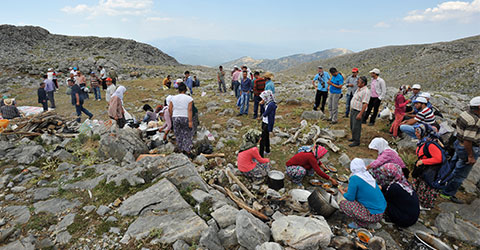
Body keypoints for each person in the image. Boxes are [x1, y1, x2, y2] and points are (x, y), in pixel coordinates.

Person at [440, 96, 480, 204]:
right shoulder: (474, 121)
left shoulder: (465, 113)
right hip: (468, 148)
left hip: (458, 143)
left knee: (453, 165)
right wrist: (470, 156)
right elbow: (468, 140)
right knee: (460, 174)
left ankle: (442, 183)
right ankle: (447, 193)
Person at [338, 158, 386, 229]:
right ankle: (367, 220)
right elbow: (363, 187)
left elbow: (350, 198)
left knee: (343, 204)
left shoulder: (354, 178)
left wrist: (341, 190)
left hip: (373, 215)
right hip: (381, 211)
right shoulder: (368, 175)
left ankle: (361, 223)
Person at [377, 163, 420, 227]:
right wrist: (381, 187)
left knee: (382, 202)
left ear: (390, 175)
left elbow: (384, 197)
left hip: (405, 220)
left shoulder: (394, 187)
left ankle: (390, 218)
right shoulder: (403, 182)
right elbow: (388, 188)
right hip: (413, 216)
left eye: (385, 173)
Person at [411, 123, 442, 210]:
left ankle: (425, 205)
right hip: (424, 167)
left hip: (430, 169)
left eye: (418, 132)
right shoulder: (423, 142)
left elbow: (439, 158)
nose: (416, 134)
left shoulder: (430, 144)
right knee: (419, 184)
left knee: (426, 187)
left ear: (424, 133)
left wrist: (423, 161)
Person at [169, 83, 194, 157]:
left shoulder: (172, 98)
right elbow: (189, 110)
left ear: (178, 90)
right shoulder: (189, 98)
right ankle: (187, 150)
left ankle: (180, 149)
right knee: (187, 134)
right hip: (185, 116)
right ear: (185, 90)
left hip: (175, 117)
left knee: (178, 134)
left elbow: (169, 109)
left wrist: (172, 116)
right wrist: (190, 121)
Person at [348, 76, 370, 147]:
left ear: (363, 83)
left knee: (356, 126)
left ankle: (356, 141)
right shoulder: (359, 89)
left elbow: (365, 104)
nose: (357, 82)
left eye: (359, 81)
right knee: (352, 125)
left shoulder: (366, 91)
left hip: (358, 111)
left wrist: (360, 114)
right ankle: (354, 137)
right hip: (354, 109)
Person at [259, 90, 277, 157]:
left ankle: (261, 154)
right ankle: (267, 150)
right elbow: (263, 112)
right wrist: (261, 105)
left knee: (262, 139)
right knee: (266, 137)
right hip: (264, 122)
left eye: (263, 98)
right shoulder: (267, 103)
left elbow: (265, 113)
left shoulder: (271, 105)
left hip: (267, 123)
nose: (262, 99)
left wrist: (262, 105)